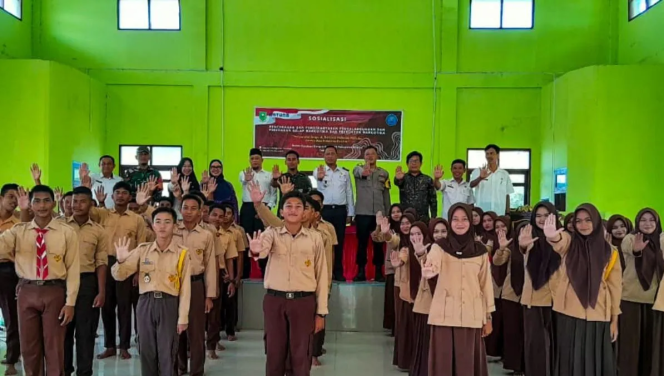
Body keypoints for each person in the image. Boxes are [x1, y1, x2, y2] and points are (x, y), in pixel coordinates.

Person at [0, 185, 80, 376]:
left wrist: (70, 303)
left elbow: (73, 270)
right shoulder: (19, 231)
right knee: (29, 348)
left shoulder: (66, 232)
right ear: (30, 205)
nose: (42, 205)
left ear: (53, 203)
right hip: (27, 291)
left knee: (54, 347)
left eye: (46, 200)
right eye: (36, 201)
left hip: (54, 292)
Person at [247, 190, 329, 376]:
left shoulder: (315, 238)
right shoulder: (271, 233)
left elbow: (322, 275)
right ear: (281, 212)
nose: (293, 210)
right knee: (275, 352)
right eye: (288, 206)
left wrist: (321, 312)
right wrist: (255, 251)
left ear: (305, 213)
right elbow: (262, 251)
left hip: (304, 302)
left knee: (301, 354)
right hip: (275, 300)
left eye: (298, 207)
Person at [111, 207, 191, 376]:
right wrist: (120, 260)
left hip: (169, 304)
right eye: (158, 222)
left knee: (167, 351)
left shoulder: (182, 253)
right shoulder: (143, 250)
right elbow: (120, 275)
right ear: (153, 226)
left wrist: (183, 317)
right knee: (146, 350)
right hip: (145, 303)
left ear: (175, 227)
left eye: (167, 222)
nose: (162, 226)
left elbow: (185, 288)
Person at [543, 205, 621, 376]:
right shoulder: (570, 245)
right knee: (569, 362)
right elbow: (560, 241)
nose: (583, 225)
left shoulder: (610, 252)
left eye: (588, 220)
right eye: (578, 221)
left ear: (597, 222)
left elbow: (615, 289)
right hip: (568, 314)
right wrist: (552, 236)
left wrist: (614, 321)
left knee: (595, 362)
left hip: (598, 314)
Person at [421, 203, 494, 376]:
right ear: (449, 222)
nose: (459, 223)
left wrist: (488, 317)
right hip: (443, 317)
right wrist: (429, 270)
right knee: (443, 366)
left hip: (471, 316)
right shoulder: (439, 247)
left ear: (470, 222)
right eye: (455, 219)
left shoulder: (481, 251)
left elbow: (486, 285)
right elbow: (433, 263)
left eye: (464, 219)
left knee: (466, 366)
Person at [93, 182, 149, 360]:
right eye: (117, 192)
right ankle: (109, 345)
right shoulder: (103, 214)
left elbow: (142, 246)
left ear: (129, 197)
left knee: (125, 307)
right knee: (107, 306)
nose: (120, 196)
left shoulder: (137, 219)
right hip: (106, 262)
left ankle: (124, 346)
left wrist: (137, 271)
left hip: (128, 263)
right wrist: (95, 197)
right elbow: (86, 210)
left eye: (125, 193)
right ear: (112, 196)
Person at [61, 187, 109, 376]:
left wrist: (102, 291)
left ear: (91, 204)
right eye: (74, 201)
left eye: (82, 201)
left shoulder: (98, 231)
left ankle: (84, 371)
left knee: (86, 333)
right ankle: (64, 370)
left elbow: (101, 262)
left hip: (87, 283)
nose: (76, 205)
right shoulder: (61, 226)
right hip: (62, 284)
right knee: (63, 331)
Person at [174, 194, 217, 376]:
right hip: (173, 286)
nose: (189, 212)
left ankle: (197, 370)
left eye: (193, 208)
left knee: (197, 332)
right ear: (180, 209)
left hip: (196, 285)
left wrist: (209, 296)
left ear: (200, 212)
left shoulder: (207, 235)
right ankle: (180, 366)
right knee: (176, 330)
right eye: (185, 208)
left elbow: (210, 267)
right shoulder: (172, 230)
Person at [618, 208, 663, 375]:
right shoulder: (630, 238)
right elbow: (631, 249)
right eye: (643, 220)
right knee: (631, 345)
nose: (647, 223)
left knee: (650, 344)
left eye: (651, 220)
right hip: (631, 299)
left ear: (657, 222)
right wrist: (637, 249)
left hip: (655, 301)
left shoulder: (661, 240)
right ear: (637, 222)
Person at [518, 202, 561, 376]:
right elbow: (523, 251)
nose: (542, 219)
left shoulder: (562, 237)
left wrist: (553, 238)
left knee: (556, 345)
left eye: (546, 215)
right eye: (539, 216)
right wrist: (522, 246)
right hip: (534, 300)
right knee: (535, 346)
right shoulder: (529, 235)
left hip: (557, 299)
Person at [409, 219, 446, 376]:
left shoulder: (454, 249)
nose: (439, 235)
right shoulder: (428, 249)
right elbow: (426, 265)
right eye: (436, 231)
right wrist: (421, 254)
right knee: (425, 344)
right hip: (426, 306)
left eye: (443, 231)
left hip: (446, 307)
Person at [316, 145, 355, 282]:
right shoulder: (318, 171)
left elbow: (349, 193)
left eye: (332, 153)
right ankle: (324, 272)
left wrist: (350, 212)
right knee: (322, 242)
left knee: (338, 242)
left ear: (337, 156)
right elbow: (319, 189)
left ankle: (338, 272)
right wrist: (320, 178)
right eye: (327, 154)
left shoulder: (344, 173)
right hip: (324, 211)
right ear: (324, 156)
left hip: (340, 211)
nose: (330, 156)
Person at [353, 145, 391, 282]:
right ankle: (361, 271)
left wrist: (387, 213)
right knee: (362, 243)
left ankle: (379, 272)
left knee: (379, 244)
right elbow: (358, 172)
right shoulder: (358, 169)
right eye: (367, 154)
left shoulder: (384, 173)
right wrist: (364, 172)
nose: (370, 156)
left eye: (372, 154)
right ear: (364, 157)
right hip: (362, 213)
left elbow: (386, 194)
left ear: (377, 156)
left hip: (379, 215)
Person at [383, 213, 416, 371]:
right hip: (400, 287)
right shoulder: (399, 242)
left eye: (408, 223)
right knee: (403, 324)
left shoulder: (421, 241)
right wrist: (386, 232)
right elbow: (391, 239)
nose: (405, 226)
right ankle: (404, 360)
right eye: (402, 223)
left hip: (418, 289)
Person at [493, 218, 526, 376]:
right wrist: (501, 248)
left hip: (531, 296)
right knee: (512, 332)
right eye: (522, 232)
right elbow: (497, 261)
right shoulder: (510, 247)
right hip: (510, 295)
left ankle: (528, 364)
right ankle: (515, 365)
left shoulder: (538, 248)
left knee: (528, 332)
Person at [206, 203, 238, 356]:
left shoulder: (228, 236)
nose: (217, 219)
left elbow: (230, 258)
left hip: (219, 274)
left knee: (215, 312)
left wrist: (231, 281)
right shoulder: (202, 233)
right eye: (214, 215)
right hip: (200, 274)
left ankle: (212, 344)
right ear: (207, 215)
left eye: (221, 216)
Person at [239, 148, 277, 278]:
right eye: (252, 158)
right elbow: (243, 180)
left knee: (263, 239)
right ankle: (244, 274)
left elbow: (273, 194)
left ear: (262, 160)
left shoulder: (269, 175)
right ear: (249, 160)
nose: (254, 161)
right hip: (248, 208)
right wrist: (247, 178)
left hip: (264, 208)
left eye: (257, 158)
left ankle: (265, 272)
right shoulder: (244, 173)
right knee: (246, 241)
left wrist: (268, 208)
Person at [0, 184, 20, 374]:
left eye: (17, 198)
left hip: (8, 269)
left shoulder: (19, 222)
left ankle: (13, 354)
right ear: (1, 198)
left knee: (10, 315)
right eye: (10, 197)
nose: (14, 201)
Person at [377, 204, 402, 335]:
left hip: (404, 269)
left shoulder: (407, 227)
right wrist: (380, 228)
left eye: (398, 211)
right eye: (393, 212)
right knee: (391, 299)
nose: (396, 214)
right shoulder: (388, 228)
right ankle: (393, 326)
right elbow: (378, 238)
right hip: (392, 269)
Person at [470, 144, 514, 215]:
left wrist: (508, 213)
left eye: (491, 153)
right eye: (487, 154)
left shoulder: (504, 174)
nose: (489, 156)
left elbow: (507, 194)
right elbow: (471, 185)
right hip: (482, 213)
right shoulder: (478, 171)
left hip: (499, 213)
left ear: (498, 155)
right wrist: (480, 178)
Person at [394, 151, 437, 221]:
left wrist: (433, 216)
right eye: (411, 161)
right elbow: (397, 182)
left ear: (421, 163)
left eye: (416, 161)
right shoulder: (403, 178)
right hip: (406, 218)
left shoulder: (427, 179)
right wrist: (398, 179)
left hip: (423, 218)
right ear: (407, 164)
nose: (414, 163)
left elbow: (433, 200)